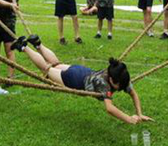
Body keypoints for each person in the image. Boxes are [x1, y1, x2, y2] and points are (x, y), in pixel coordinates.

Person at [10, 35, 153, 125]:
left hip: (81, 70)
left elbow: (133, 93)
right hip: (74, 80)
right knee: (47, 70)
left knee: (57, 64)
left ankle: (38, 44)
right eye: (118, 86)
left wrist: (139, 113)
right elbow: (110, 108)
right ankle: (23, 47)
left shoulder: (119, 73)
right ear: (111, 79)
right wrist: (129, 119)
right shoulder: (104, 85)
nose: (120, 88)